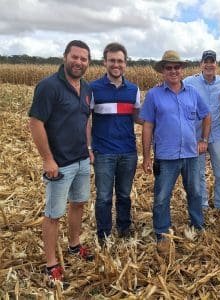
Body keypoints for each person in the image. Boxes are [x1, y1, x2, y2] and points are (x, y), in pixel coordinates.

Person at [29, 40, 94, 288]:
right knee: (53, 214)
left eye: (84, 59)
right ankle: (51, 262)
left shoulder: (86, 88)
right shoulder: (49, 86)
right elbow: (36, 123)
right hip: (59, 164)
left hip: (81, 160)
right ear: (65, 57)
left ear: (88, 62)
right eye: (75, 57)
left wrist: (88, 150)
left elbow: (85, 120)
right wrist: (47, 159)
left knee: (78, 204)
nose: (79, 62)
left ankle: (74, 245)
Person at [140, 50, 211, 254]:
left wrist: (203, 140)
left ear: (182, 70)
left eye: (176, 67)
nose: (173, 71)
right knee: (162, 196)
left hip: (191, 154)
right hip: (166, 156)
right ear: (163, 70)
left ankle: (198, 226)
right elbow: (147, 126)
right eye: (168, 67)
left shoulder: (192, 93)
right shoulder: (154, 95)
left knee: (196, 192)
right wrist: (146, 157)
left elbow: (206, 116)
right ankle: (162, 232)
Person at [90, 42, 142, 244]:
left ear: (125, 64)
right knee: (103, 197)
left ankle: (124, 227)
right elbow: (86, 119)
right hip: (103, 152)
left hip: (128, 151)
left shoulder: (133, 90)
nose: (116, 64)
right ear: (104, 62)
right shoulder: (93, 89)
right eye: (112, 60)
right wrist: (88, 148)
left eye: (120, 61)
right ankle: (103, 234)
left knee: (124, 194)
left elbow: (138, 117)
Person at [183, 50, 220, 211]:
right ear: (200, 64)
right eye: (206, 61)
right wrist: (161, 85)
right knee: (199, 173)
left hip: (216, 134)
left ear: (217, 64)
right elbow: (173, 87)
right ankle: (202, 205)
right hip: (197, 136)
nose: (209, 64)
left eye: (212, 61)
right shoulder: (189, 82)